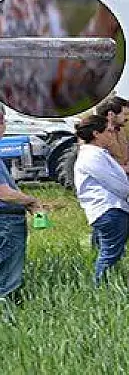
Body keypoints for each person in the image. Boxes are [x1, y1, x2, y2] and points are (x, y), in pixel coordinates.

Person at [74, 115, 129, 285]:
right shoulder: (92, 156)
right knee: (110, 253)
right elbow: (114, 183)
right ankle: (101, 285)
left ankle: (106, 284)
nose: (111, 135)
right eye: (107, 131)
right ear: (96, 134)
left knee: (112, 251)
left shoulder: (98, 154)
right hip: (108, 209)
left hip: (112, 208)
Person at [0, 106, 41, 306]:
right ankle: (6, 314)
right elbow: (4, 193)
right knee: (7, 274)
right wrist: (31, 201)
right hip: (6, 222)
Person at [95, 97, 129, 175]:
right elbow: (97, 164)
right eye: (125, 114)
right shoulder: (96, 135)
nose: (128, 118)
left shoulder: (122, 130)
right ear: (111, 114)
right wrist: (124, 169)